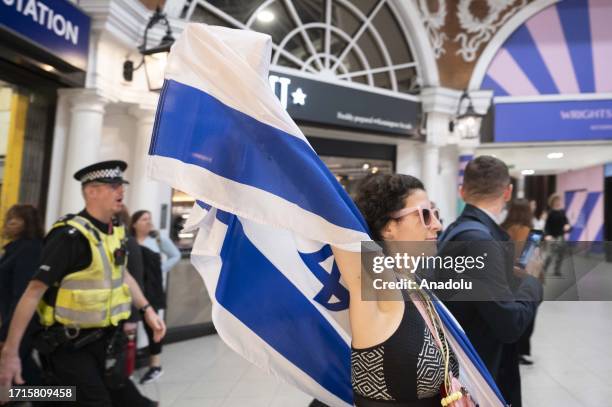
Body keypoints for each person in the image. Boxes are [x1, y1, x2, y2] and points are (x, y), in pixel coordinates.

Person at [0, 160, 166, 407]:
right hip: (70, 347)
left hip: (108, 342)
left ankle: (21, 395)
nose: (121, 191)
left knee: (127, 400)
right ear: (91, 191)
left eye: (121, 185)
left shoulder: (115, 231)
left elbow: (123, 275)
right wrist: (10, 353)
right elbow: (32, 292)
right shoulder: (69, 237)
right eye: (113, 186)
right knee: (82, 398)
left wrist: (146, 309)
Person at [333, 173, 463, 407]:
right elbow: (334, 218)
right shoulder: (375, 289)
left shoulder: (417, 285)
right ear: (389, 226)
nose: (437, 225)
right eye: (424, 215)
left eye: (434, 213)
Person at [436, 156, 542, 407]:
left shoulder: (457, 230)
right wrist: (533, 281)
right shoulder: (480, 241)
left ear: (462, 191)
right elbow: (510, 324)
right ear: (507, 192)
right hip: (479, 375)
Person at [130, 210, 180, 384]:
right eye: (144, 219)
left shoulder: (158, 239)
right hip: (131, 290)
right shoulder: (128, 241)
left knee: (152, 327)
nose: (148, 222)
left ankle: (155, 365)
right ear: (134, 223)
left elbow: (176, 255)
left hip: (151, 290)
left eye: (150, 219)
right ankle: (127, 362)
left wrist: (160, 270)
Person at [0, 204, 44, 386]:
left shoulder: (29, 250)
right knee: (25, 375)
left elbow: (22, 294)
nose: (8, 223)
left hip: (20, 325)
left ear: (28, 223)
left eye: (14, 219)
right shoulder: (14, 248)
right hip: (12, 321)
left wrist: (6, 334)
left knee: (23, 376)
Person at [501, 199, 538, 366]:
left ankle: (511, 352)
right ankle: (521, 352)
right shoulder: (528, 232)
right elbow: (529, 259)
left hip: (504, 279)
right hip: (523, 279)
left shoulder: (501, 228)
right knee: (525, 316)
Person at [543, 193, 571, 276]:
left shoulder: (562, 212)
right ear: (552, 202)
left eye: (559, 200)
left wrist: (567, 226)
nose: (558, 202)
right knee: (550, 255)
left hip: (560, 236)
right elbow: (546, 226)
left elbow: (566, 222)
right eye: (556, 200)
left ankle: (557, 270)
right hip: (552, 236)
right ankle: (544, 269)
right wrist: (547, 235)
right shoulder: (549, 213)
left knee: (561, 254)